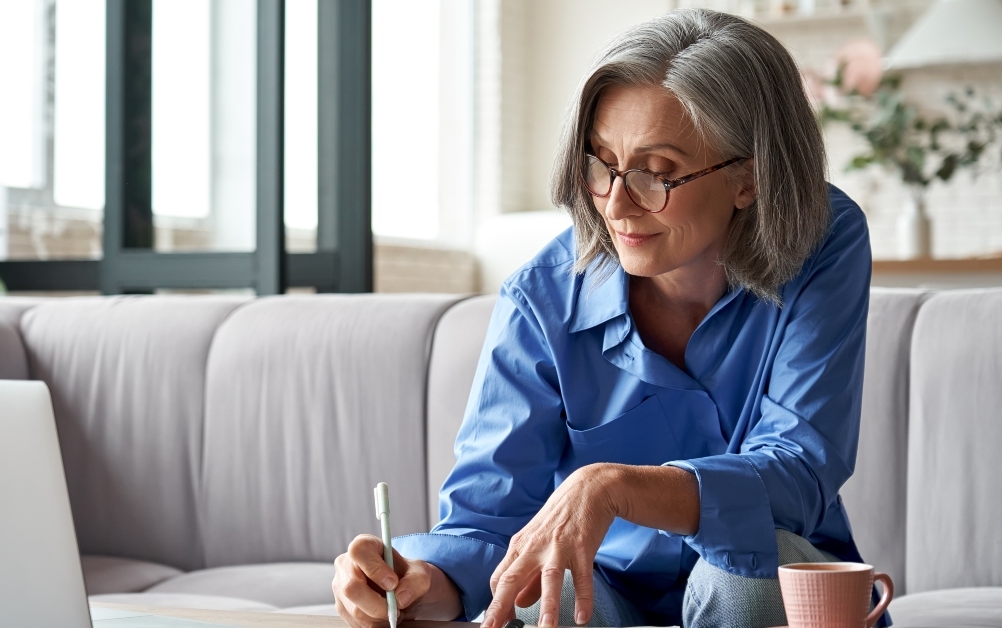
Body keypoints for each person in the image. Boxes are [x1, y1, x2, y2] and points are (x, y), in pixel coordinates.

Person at [333, 8, 884, 628]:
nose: (616, 204)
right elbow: (487, 524)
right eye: (600, 163)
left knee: (745, 571)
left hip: (761, 586)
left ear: (748, 180)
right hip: (606, 594)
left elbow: (799, 468)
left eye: (658, 172)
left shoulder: (823, 240)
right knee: (545, 587)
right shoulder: (541, 296)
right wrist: (410, 583)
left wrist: (614, 485)